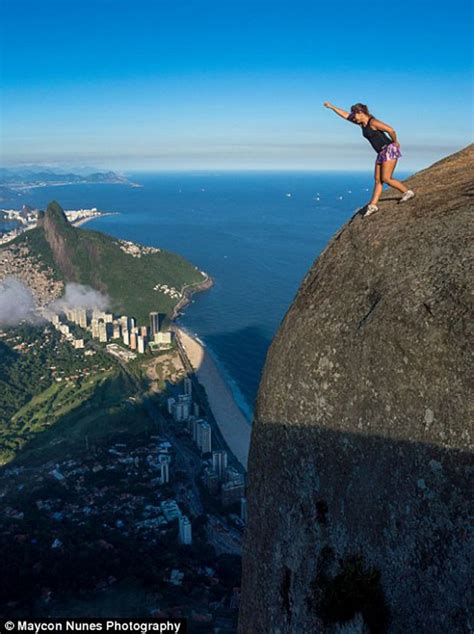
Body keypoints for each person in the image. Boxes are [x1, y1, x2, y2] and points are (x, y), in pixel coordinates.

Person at [323, 102, 415, 216]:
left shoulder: (373, 122)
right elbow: (345, 115)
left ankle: (407, 192)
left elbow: (391, 130)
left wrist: (395, 142)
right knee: (377, 179)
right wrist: (332, 107)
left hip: (389, 149)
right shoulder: (362, 124)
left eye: (355, 114)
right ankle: (373, 205)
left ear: (361, 113)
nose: (353, 117)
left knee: (386, 178)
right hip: (381, 152)